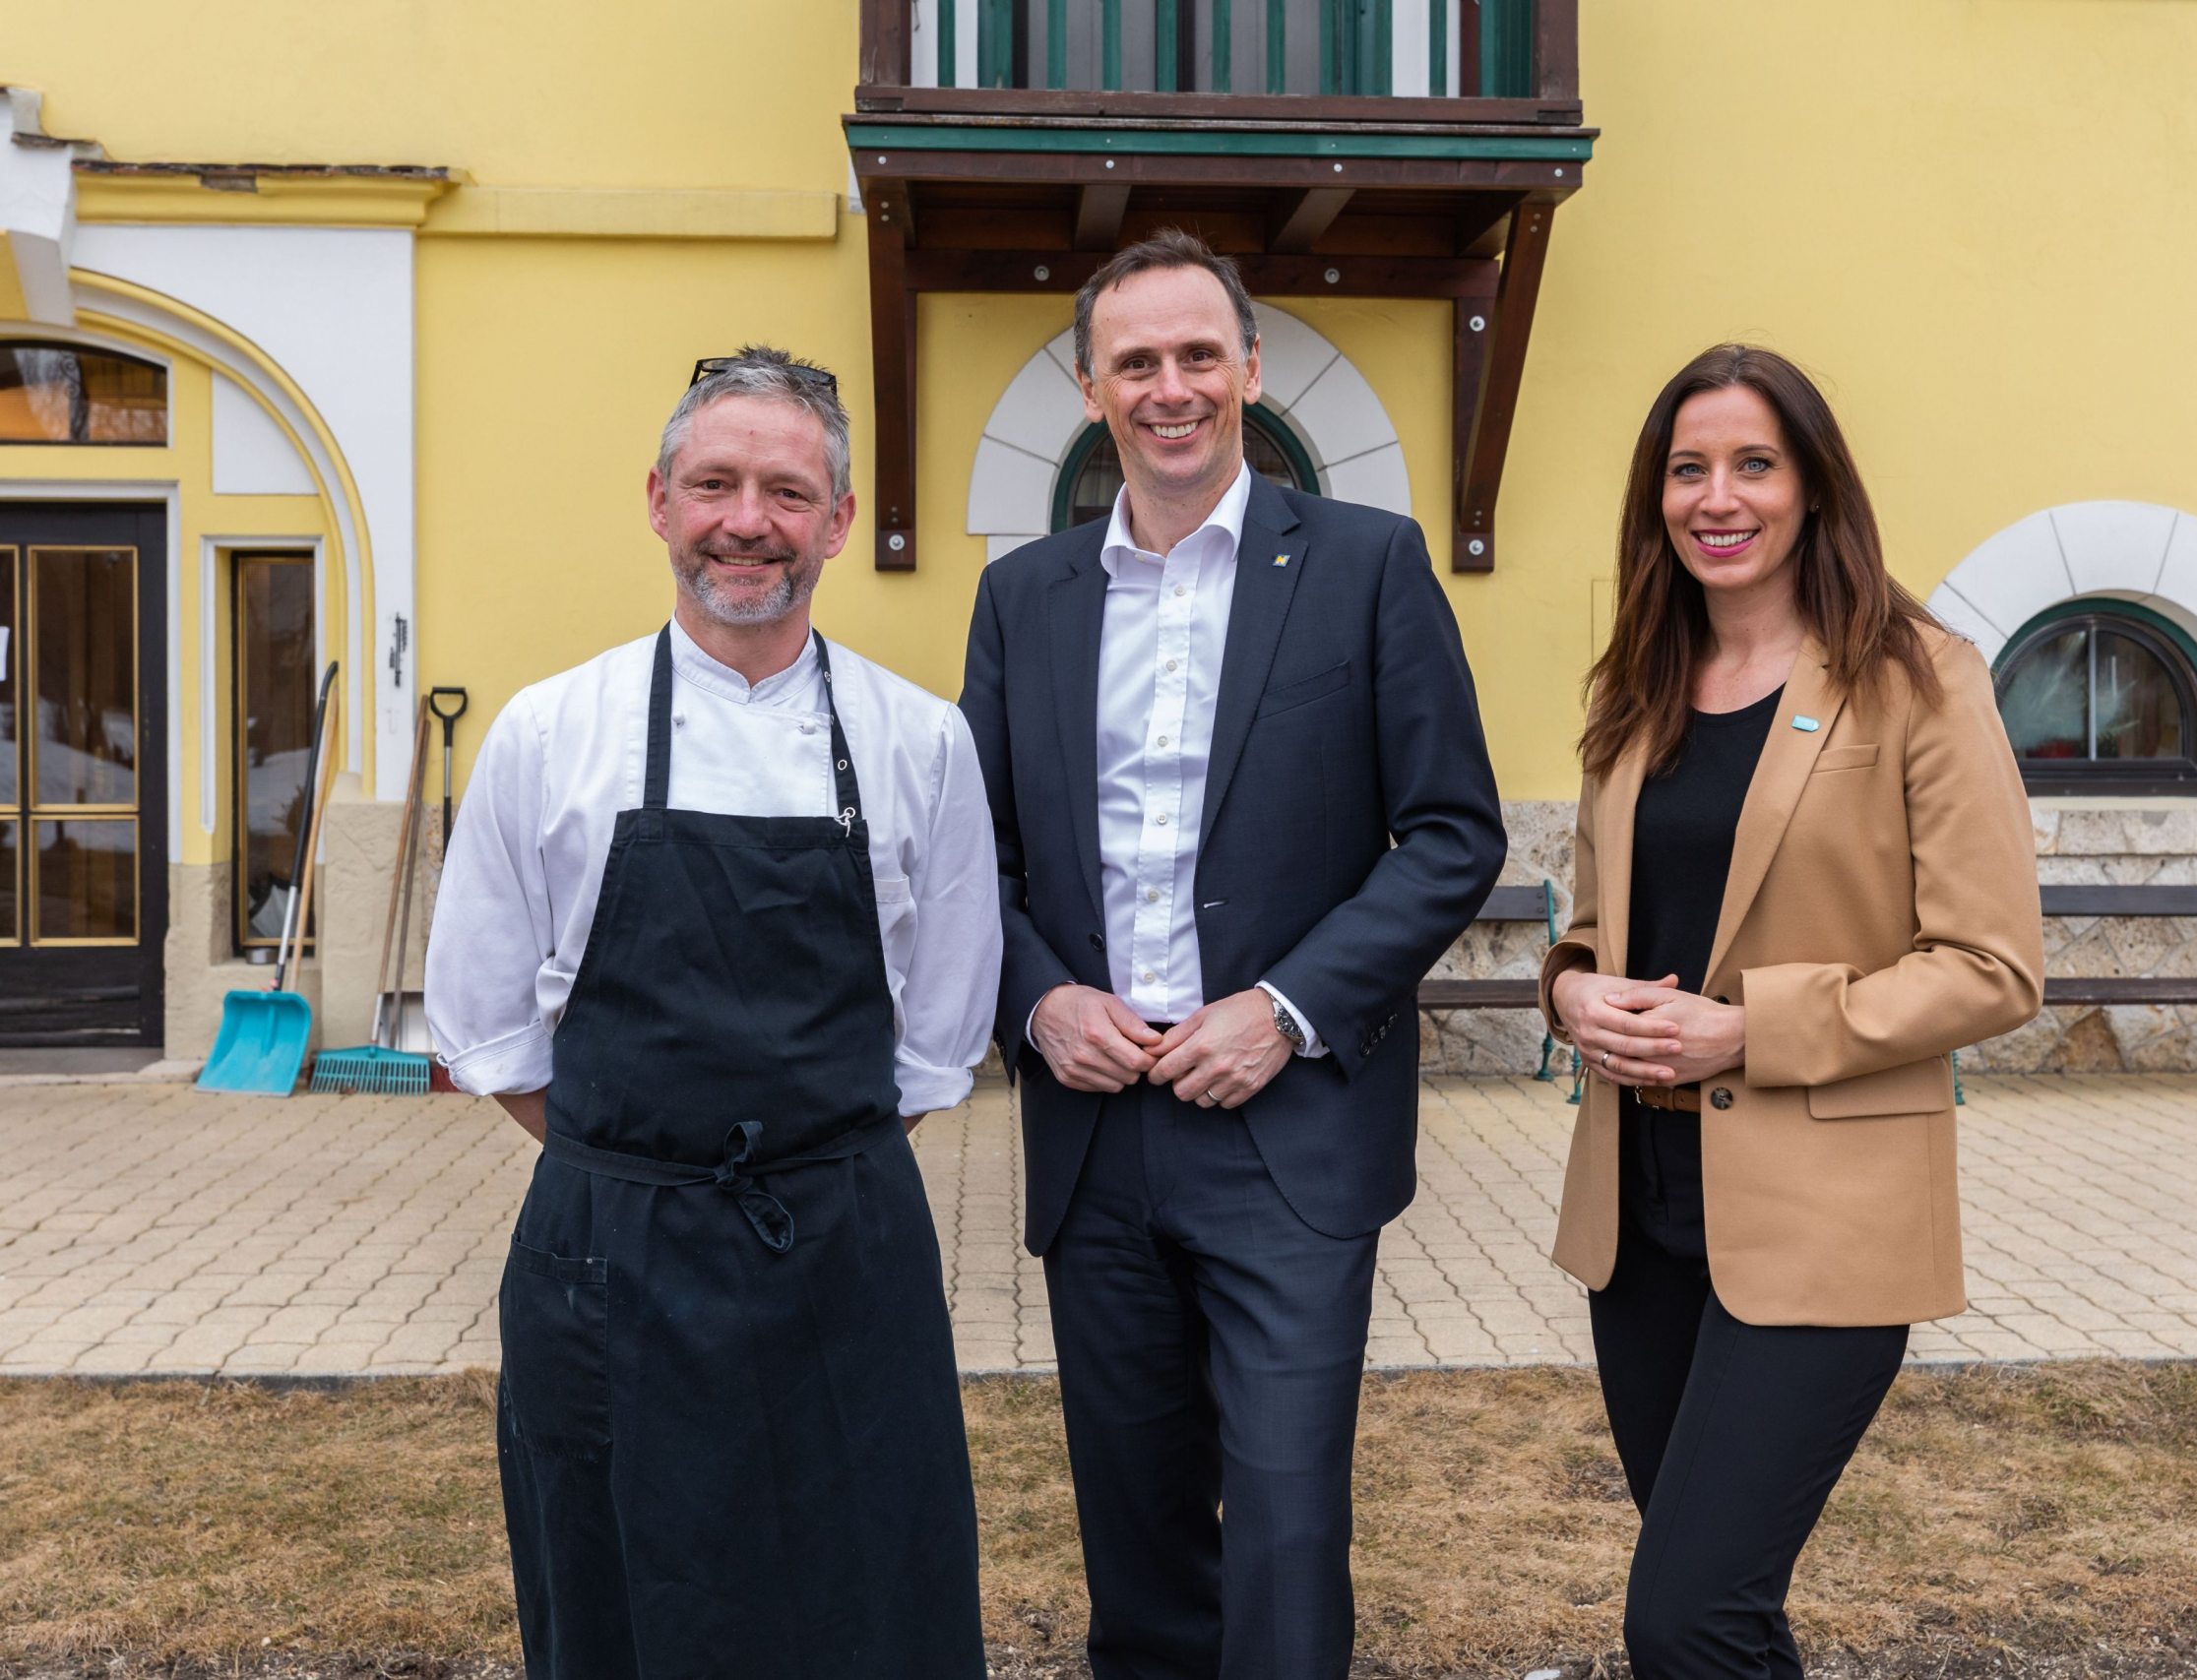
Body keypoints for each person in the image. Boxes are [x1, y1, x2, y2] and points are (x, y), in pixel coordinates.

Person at [960, 229, 1507, 1680]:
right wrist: (1037, 1001)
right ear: (1092, 389)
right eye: (1136, 361)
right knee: (1136, 1538)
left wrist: (1286, 1006)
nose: (1172, 387)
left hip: (1288, 1130)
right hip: (1095, 1133)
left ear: (1250, 369)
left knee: (1282, 1529)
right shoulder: (1023, 596)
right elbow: (973, 862)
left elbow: (1451, 834)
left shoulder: (1370, 565)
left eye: (1199, 354)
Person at [426, 346, 998, 1679]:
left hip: (846, 1254)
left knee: (868, 1603)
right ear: (659, 501)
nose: (749, 522)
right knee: (620, 1602)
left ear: (838, 522)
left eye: (787, 493)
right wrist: (646, 1170)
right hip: (609, 1260)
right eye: (715, 485)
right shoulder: (548, 733)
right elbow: (487, 1026)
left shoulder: (921, 744)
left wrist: (802, 1168)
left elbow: (937, 1042)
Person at [1539, 344, 2043, 1680]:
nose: (1718, 497)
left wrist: (1750, 1029)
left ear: (1815, 485)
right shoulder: (1636, 686)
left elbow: (1993, 965)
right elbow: (1591, 929)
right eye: (1688, 469)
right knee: (1722, 1614)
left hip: (1825, 1216)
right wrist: (1573, 990)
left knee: (1686, 1618)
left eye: (1754, 464)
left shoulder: (1921, 677)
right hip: (1641, 1213)